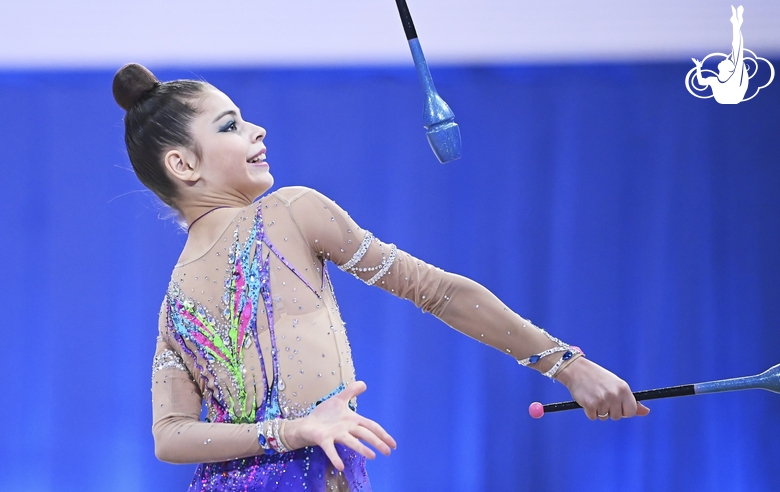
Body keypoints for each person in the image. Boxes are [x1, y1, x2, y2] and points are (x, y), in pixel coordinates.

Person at [113, 63, 649, 492]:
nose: (257, 129)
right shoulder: (290, 211)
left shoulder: (173, 297)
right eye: (229, 125)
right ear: (184, 166)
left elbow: (172, 436)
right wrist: (567, 365)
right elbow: (436, 291)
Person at [692, 5, 748, 104]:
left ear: (729, 69)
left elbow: (738, 49)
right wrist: (698, 67)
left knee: (737, 49)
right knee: (736, 50)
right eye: (727, 60)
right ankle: (736, 23)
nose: (724, 59)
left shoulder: (734, 77)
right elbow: (701, 82)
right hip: (728, 98)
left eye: (727, 61)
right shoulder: (715, 80)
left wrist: (736, 26)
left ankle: (736, 23)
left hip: (732, 97)